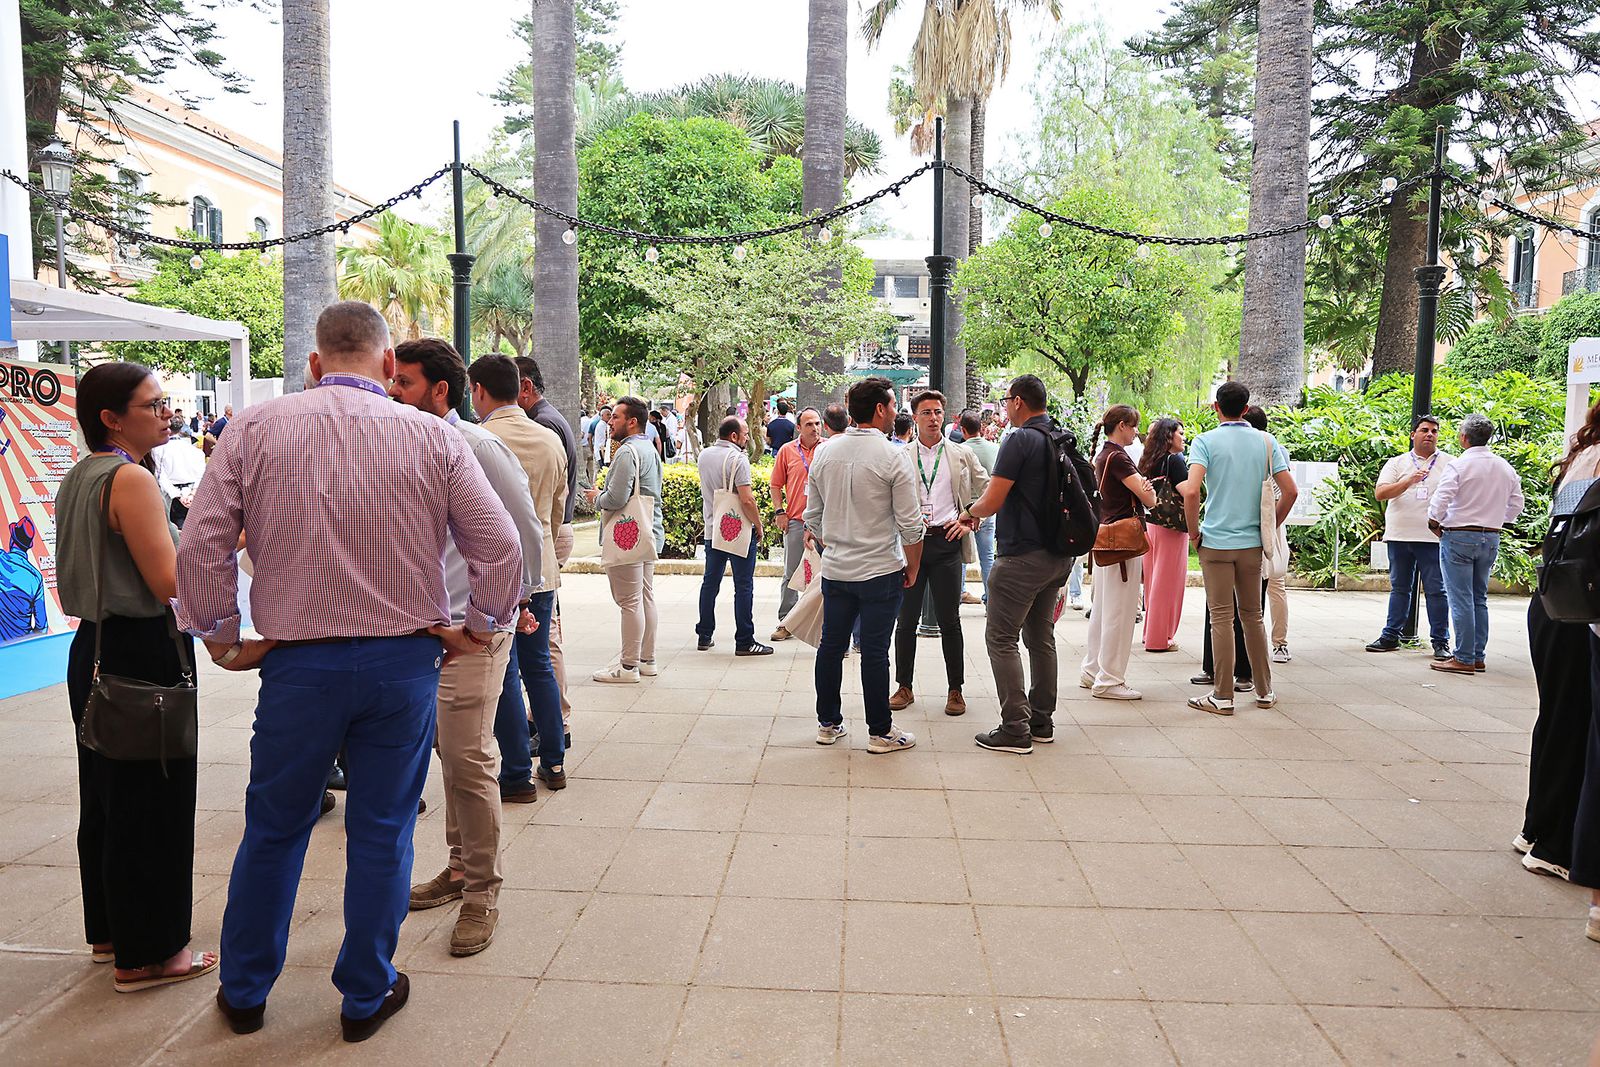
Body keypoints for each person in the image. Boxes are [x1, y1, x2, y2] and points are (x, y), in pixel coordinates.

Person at [176, 302, 522, 1041]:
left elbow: (202, 539)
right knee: (382, 829)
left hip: (298, 663)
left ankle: (244, 991)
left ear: (313, 363)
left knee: (273, 827)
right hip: (403, 662)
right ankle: (364, 993)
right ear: (389, 363)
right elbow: (499, 544)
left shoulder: (256, 428)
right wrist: (480, 627)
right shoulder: (434, 435)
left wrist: (219, 635)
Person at [56, 363, 216, 994]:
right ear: (111, 417)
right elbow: (170, 583)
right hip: (141, 652)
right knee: (154, 802)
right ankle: (150, 953)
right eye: (152, 405)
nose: (166, 413)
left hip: (92, 647)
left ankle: (111, 933)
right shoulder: (130, 480)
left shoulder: (82, 476)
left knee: (105, 796)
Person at [390, 340, 544, 957]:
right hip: (425, 633)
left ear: (440, 391)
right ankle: (458, 870)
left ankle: (482, 892)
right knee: (451, 759)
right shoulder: (408, 443)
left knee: (470, 758)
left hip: (472, 632)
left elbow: (523, 531)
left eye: (403, 382)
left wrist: (507, 610)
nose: (392, 392)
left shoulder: (477, 445)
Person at [804, 376, 923, 753]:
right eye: (892, 405)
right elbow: (911, 524)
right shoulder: (894, 456)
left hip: (837, 568)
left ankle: (828, 723)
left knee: (830, 646)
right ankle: (880, 732)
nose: (895, 413)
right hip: (880, 569)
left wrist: (837, 541)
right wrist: (913, 566)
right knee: (874, 651)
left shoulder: (825, 452)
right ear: (879, 409)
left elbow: (813, 516)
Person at [961, 375, 1077, 754]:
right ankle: (1042, 721)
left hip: (1022, 556)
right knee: (1041, 638)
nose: (1005, 406)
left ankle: (1015, 728)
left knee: (1001, 637)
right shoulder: (1058, 435)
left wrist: (967, 513)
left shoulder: (1019, 439)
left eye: (1007, 400)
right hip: (1059, 556)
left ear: (1018, 403)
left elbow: (993, 499)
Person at [470, 355, 568, 798]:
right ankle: (554, 760)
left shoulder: (480, 439)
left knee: (506, 668)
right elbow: (557, 510)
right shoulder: (549, 439)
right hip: (542, 563)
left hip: (497, 571)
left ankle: (515, 773)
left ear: (479, 390)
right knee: (539, 664)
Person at [1180, 381, 1297, 716]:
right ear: (1246, 409)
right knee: (1253, 617)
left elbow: (1190, 492)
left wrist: (1193, 533)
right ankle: (1264, 691)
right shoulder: (1266, 441)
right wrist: (1270, 525)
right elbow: (1289, 491)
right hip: (1252, 545)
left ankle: (1223, 695)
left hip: (1215, 542)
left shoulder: (1205, 441)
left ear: (1216, 407)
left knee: (1221, 618)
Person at [1519, 402, 1600, 882]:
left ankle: (1537, 828)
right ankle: (1556, 844)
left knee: (1556, 717)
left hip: (1555, 598)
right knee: (1575, 725)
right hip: (1581, 606)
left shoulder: (1582, 455)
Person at [889, 390, 989, 717]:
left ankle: (955, 690)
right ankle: (904, 686)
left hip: (947, 541)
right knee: (905, 621)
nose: (933, 418)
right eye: (926, 412)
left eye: (937, 412)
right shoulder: (900, 456)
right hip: (911, 544)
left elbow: (987, 487)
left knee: (950, 621)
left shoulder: (959, 454)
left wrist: (972, 517)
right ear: (914, 417)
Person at [1427, 413, 1524, 675]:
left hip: (1459, 535)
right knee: (1479, 597)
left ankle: (1464, 657)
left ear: (1464, 438)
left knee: (1461, 598)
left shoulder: (1459, 465)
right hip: (1490, 536)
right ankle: (1478, 655)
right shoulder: (1505, 467)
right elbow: (1517, 502)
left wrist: (1434, 521)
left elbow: (1442, 498)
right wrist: (1498, 520)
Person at [514, 355, 577, 747]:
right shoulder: (547, 419)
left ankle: (554, 721)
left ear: (524, 386)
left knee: (544, 640)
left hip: (547, 536)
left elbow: (547, 500)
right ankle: (551, 720)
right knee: (545, 637)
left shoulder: (542, 423)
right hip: (550, 534)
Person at [1078, 405, 1157, 700]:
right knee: (1120, 612)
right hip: (1123, 541)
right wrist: (1148, 491)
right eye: (1134, 426)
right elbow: (1149, 496)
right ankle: (1109, 679)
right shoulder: (1120, 457)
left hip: (1105, 537)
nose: (1137, 432)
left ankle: (1093, 669)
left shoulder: (1103, 455)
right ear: (1122, 425)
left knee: (1103, 610)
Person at [583, 397, 665, 683]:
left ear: (632, 421)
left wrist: (596, 498)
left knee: (629, 601)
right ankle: (647, 660)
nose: (610, 421)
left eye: (616, 417)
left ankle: (628, 667)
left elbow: (616, 498)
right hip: (649, 533)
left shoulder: (627, 452)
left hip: (628, 535)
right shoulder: (650, 450)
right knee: (645, 596)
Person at [1367, 415, 1451, 659]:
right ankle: (1391, 635)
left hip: (1433, 537)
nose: (1430, 434)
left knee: (1437, 590)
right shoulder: (1397, 463)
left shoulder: (1449, 463)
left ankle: (1440, 642)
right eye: (1424, 430)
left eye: (1434, 431)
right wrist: (1408, 481)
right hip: (1400, 535)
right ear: (1413, 435)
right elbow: (1381, 493)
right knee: (1400, 588)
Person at [695, 417, 771, 656]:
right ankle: (745, 640)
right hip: (738, 530)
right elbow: (746, 499)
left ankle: (704, 635)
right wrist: (758, 525)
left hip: (712, 528)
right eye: (745, 434)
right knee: (744, 585)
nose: (748, 438)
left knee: (710, 583)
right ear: (734, 436)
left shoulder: (704, 455)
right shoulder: (739, 459)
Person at [1244, 406, 1293, 662]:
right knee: (1275, 584)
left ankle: (1267, 644)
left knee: (1266, 582)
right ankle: (1278, 643)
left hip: (1264, 519)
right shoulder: (1277, 447)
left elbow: (1287, 490)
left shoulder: (1263, 448)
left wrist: (1272, 522)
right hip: (1272, 520)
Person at [770, 407, 822, 637]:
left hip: (824, 524)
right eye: (809, 424)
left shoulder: (829, 449)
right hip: (796, 520)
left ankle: (822, 625)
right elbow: (775, 485)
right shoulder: (787, 451)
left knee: (825, 575)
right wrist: (780, 512)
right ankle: (786, 622)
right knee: (791, 573)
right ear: (798, 428)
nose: (815, 428)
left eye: (818, 423)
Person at [1139, 417, 1189, 653]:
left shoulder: (1150, 459)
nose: (1184, 436)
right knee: (1167, 583)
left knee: (1153, 580)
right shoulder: (1175, 460)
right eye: (1180, 432)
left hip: (1152, 522)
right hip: (1172, 525)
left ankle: (1150, 633)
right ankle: (1160, 638)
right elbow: (1187, 491)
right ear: (1169, 436)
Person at [960, 410, 998, 605]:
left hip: (965, 509)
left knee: (962, 556)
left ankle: (960, 592)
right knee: (987, 557)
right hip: (988, 508)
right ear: (981, 428)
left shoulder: (959, 450)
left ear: (962, 429)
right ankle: (990, 598)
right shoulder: (995, 449)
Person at [151, 427, 207, 529]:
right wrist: (192, 494)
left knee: (174, 530)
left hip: (172, 495)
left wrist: (179, 495)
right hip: (191, 493)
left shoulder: (157, 450)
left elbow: (160, 477)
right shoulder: (196, 451)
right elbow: (202, 474)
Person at [591, 404, 614, 473]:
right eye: (607, 415)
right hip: (600, 452)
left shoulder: (605, 425)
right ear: (602, 416)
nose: (609, 416)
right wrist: (604, 455)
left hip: (602, 452)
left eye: (610, 414)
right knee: (600, 472)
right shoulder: (601, 425)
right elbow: (602, 443)